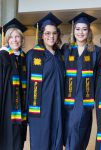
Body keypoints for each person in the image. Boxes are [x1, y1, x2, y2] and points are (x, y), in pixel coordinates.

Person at [61, 12, 100, 150]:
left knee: (78, 129)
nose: (81, 32)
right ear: (73, 30)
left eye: (84, 29)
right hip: (67, 99)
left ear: (89, 31)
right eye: (77, 29)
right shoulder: (66, 49)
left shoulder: (96, 51)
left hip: (85, 99)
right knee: (69, 130)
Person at [26, 12, 64, 150]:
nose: (51, 36)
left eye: (54, 33)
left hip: (58, 107)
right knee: (41, 142)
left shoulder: (60, 55)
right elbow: (28, 85)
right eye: (47, 33)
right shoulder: (33, 55)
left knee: (56, 140)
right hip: (40, 109)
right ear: (42, 35)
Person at [0, 18, 27, 150]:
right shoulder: (2, 57)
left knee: (18, 141)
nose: (15, 40)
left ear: (22, 39)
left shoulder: (24, 57)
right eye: (11, 37)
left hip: (21, 108)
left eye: (17, 37)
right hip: (6, 107)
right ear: (7, 39)